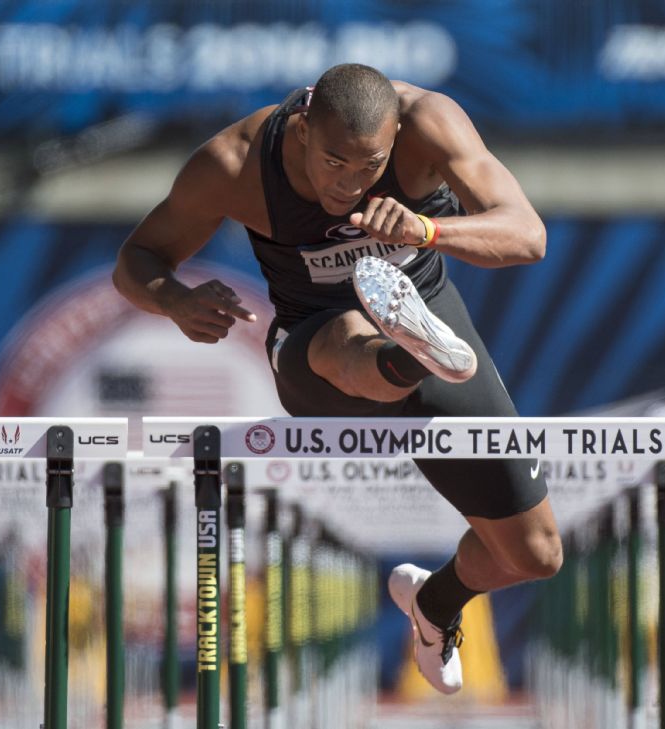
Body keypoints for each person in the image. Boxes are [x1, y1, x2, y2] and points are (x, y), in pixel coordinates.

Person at [113, 63, 561, 694]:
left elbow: (528, 234)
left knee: (534, 555)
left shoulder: (431, 122)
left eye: (370, 165)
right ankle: (406, 352)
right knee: (354, 347)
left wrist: (426, 229)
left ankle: (433, 603)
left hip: (435, 314)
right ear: (301, 129)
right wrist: (175, 301)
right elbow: (137, 259)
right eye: (334, 163)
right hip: (312, 344)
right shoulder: (237, 162)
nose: (349, 183)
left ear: (398, 136)